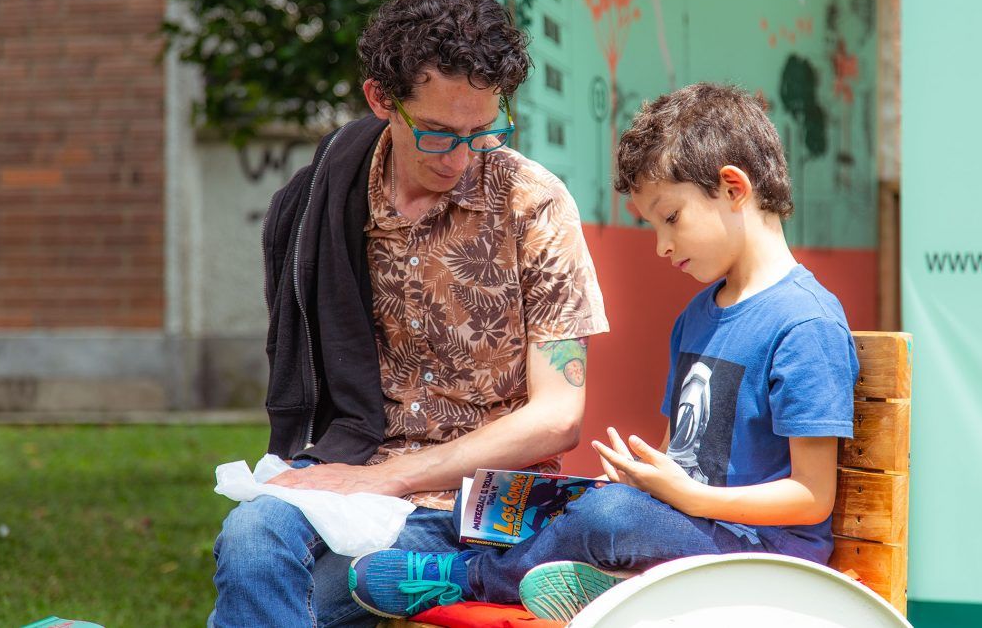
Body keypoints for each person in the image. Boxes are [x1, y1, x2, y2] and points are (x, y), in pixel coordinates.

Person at [348, 83, 859, 622]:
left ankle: (467, 579)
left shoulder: (805, 323)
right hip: (693, 529)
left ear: (733, 188)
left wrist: (679, 497)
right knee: (535, 502)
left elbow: (811, 496)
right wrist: (644, 478)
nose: (663, 246)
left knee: (611, 515)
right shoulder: (697, 316)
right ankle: (604, 585)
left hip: (763, 556)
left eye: (671, 218)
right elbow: (678, 456)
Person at [209, 0, 609, 627]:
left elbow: (559, 418)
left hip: (485, 506)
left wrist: (389, 480)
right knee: (252, 538)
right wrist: (357, 478)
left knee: (323, 593)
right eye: (438, 134)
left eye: (482, 132)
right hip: (349, 466)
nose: (460, 159)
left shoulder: (533, 204)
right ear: (380, 100)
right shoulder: (324, 199)